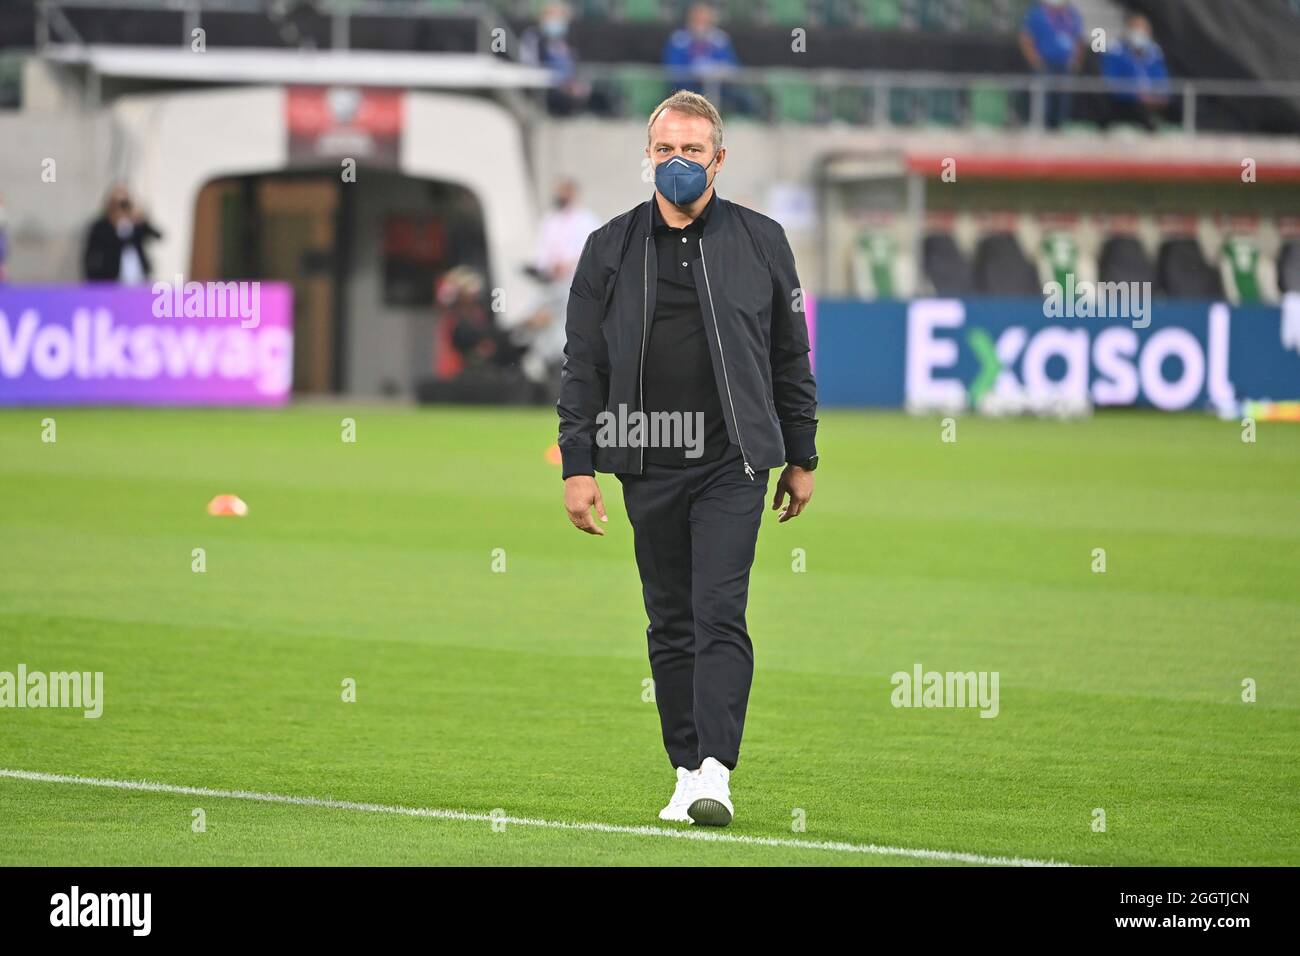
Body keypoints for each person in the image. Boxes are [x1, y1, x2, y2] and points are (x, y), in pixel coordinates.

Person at [556, 90, 819, 827]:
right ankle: (683, 767)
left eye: (692, 151)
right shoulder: (608, 247)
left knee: (718, 611)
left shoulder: (763, 241)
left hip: (734, 458)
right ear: (649, 156)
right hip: (646, 456)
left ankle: (715, 771)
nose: (677, 162)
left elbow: (789, 355)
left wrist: (802, 453)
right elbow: (582, 365)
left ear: (719, 159)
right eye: (665, 150)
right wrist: (578, 464)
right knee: (668, 618)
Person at [662, 4, 757, 117]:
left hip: (720, 89)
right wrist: (694, 70)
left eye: (705, 20)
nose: (701, 24)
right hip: (687, 89)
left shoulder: (720, 40)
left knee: (747, 100)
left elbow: (732, 65)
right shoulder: (678, 40)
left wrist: (720, 69)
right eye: (698, 20)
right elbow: (672, 68)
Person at [1019, 0, 1085, 129]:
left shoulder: (1072, 14)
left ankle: (1059, 127)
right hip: (1045, 64)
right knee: (1043, 98)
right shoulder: (1037, 14)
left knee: (1063, 99)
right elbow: (1026, 38)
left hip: (1065, 65)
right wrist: (1035, 60)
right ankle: (1042, 126)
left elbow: (1079, 40)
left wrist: (1075, 60)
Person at [1100, 13, 1171, 130]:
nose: (1140, 33)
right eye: (1136, 28)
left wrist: (1158, 95)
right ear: (1128, 31)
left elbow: (1161, 79)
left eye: (1143, 29)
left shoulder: (1154, 53)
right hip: (1123, 103)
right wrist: (1137, 95)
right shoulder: (1115, 51)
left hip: (1151, 103)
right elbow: (1111, 81)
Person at [83, 183, 161, 284]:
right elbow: (92, 255)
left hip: (138, 279)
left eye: (125, 204)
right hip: (111, 280)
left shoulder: (136, 224)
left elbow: (157, 236)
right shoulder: (101, 226)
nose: (121, 208)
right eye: (118, 204)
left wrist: (142, 219)